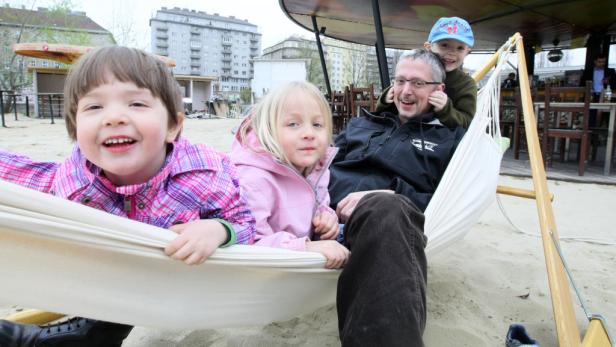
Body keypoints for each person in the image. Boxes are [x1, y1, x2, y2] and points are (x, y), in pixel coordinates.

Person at [0, 46, 255, 347]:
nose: (114, 117)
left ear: (173, 126)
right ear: (75, 128)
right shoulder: (74, 182)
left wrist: (216, 229)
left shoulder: (203, 176)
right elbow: (22, 179)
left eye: (136, 103)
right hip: (114, 271)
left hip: (178, 276)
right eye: (94, 108)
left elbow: (246, 223)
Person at [330, 48, 465, 346]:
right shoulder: (362, 124)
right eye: (400, 81)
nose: (405, 91)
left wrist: (388, 193)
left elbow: (446, 203)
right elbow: (317, 165)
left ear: (438, 91)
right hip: (316, 219)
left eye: (418, 83)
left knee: (387, 209)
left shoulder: (447, 140)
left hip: (386, 221)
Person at [229, 81, 349, 269]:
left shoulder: (315, 168)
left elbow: (321, 205)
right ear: (267, 130)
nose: (309, 133)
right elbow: (250, 243)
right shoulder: (254, 179)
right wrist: (307, 247)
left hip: (300, 253)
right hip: (271, 272)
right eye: (293, 124)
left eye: (317, 124)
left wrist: (327, 221)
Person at [375, 16, 477, 128]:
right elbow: (381, 111)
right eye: (444, 45)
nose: (452, 52)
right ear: (428, 46)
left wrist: (446, 109)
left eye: (460, 48)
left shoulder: (466, 85)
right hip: (406, 132)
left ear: (467, 52)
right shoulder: (414, 69)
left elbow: (467, 123)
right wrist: (385, 99)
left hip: (442, 139)